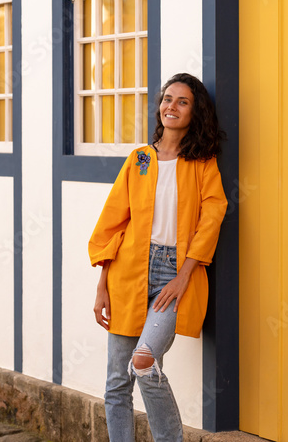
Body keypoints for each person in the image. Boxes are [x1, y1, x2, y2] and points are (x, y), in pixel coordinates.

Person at [88, 73, 228, 442]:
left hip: (173, 273)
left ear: (194, 113)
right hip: (127, 272)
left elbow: (212, 218)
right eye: (168, 99)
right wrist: (102, 283)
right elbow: (113, 222)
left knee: (144, 361)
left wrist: (184, 275)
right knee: (118, 381)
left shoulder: (202, 163)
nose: (172, 106)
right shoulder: (139, 160)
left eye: (183, 102)